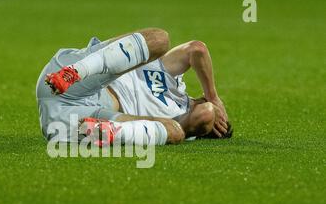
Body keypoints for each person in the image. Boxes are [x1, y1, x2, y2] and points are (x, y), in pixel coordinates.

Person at [36, 28, 232, 146]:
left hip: (76, 121)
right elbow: (197, 49)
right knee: (159, 39)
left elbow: (204, 115)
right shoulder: (174, 79)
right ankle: (78, 70)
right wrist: (213, 96)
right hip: (75, 80)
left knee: (175, 132)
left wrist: (211, 115)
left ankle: (111, 133)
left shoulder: (179, 116)